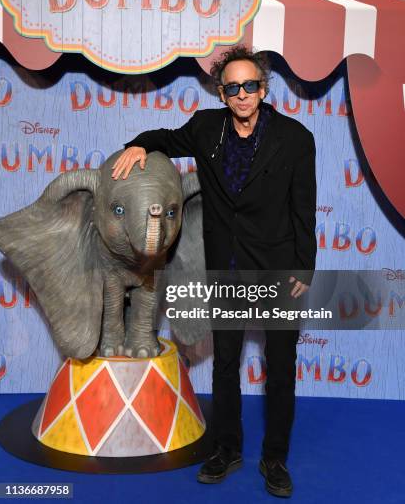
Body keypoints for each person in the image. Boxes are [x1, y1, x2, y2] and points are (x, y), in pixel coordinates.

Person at [112, 45, 317, 497]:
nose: (242, 94)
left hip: (279, 272)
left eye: (250, 85)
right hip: (226, 269)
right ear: (221, 93)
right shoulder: (206, 130)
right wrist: (137, 144)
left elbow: (304, 209)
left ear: (263, 89)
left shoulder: (297, 139)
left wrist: (305, 266)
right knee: (226, 366)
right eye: (232, 87)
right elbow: (166, 137)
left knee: (280, 368)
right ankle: (227, 448)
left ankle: (275, 457)